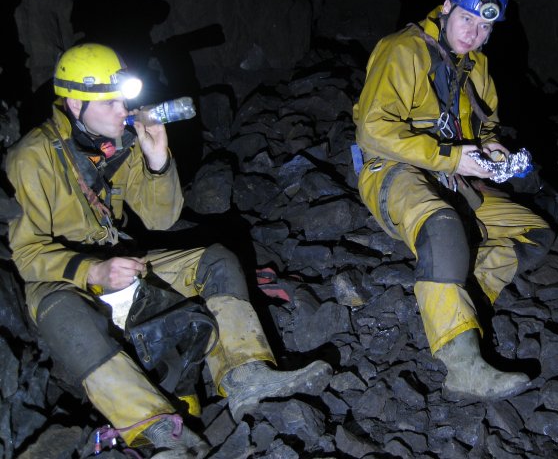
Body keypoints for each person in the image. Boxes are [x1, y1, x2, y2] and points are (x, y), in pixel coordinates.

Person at [5, 43, 332, 457]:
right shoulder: (31, 158)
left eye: (124, 97)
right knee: (66, 314)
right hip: (59, 279)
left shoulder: (118, 143)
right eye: (111, 101)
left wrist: (158, 161)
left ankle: (246, 374)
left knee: (215, 259)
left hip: (119, 262)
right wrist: (90, 272)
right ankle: (156, 428)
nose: (123, 108)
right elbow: (26, 254)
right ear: (74, 103)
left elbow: (161, 218)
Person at [353, 0, 554, 402]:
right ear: (446, 9)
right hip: (392, 172)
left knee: (537, 232)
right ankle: (461, 363)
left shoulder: (476, 67)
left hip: (453, 176)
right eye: (467, 20)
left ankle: (461, 297)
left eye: (485, 27)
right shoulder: (401, 51)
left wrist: (494, 151)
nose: (474, 35)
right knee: (444, 225)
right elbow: (371, 131)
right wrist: (452, 157)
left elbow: (486, 128)